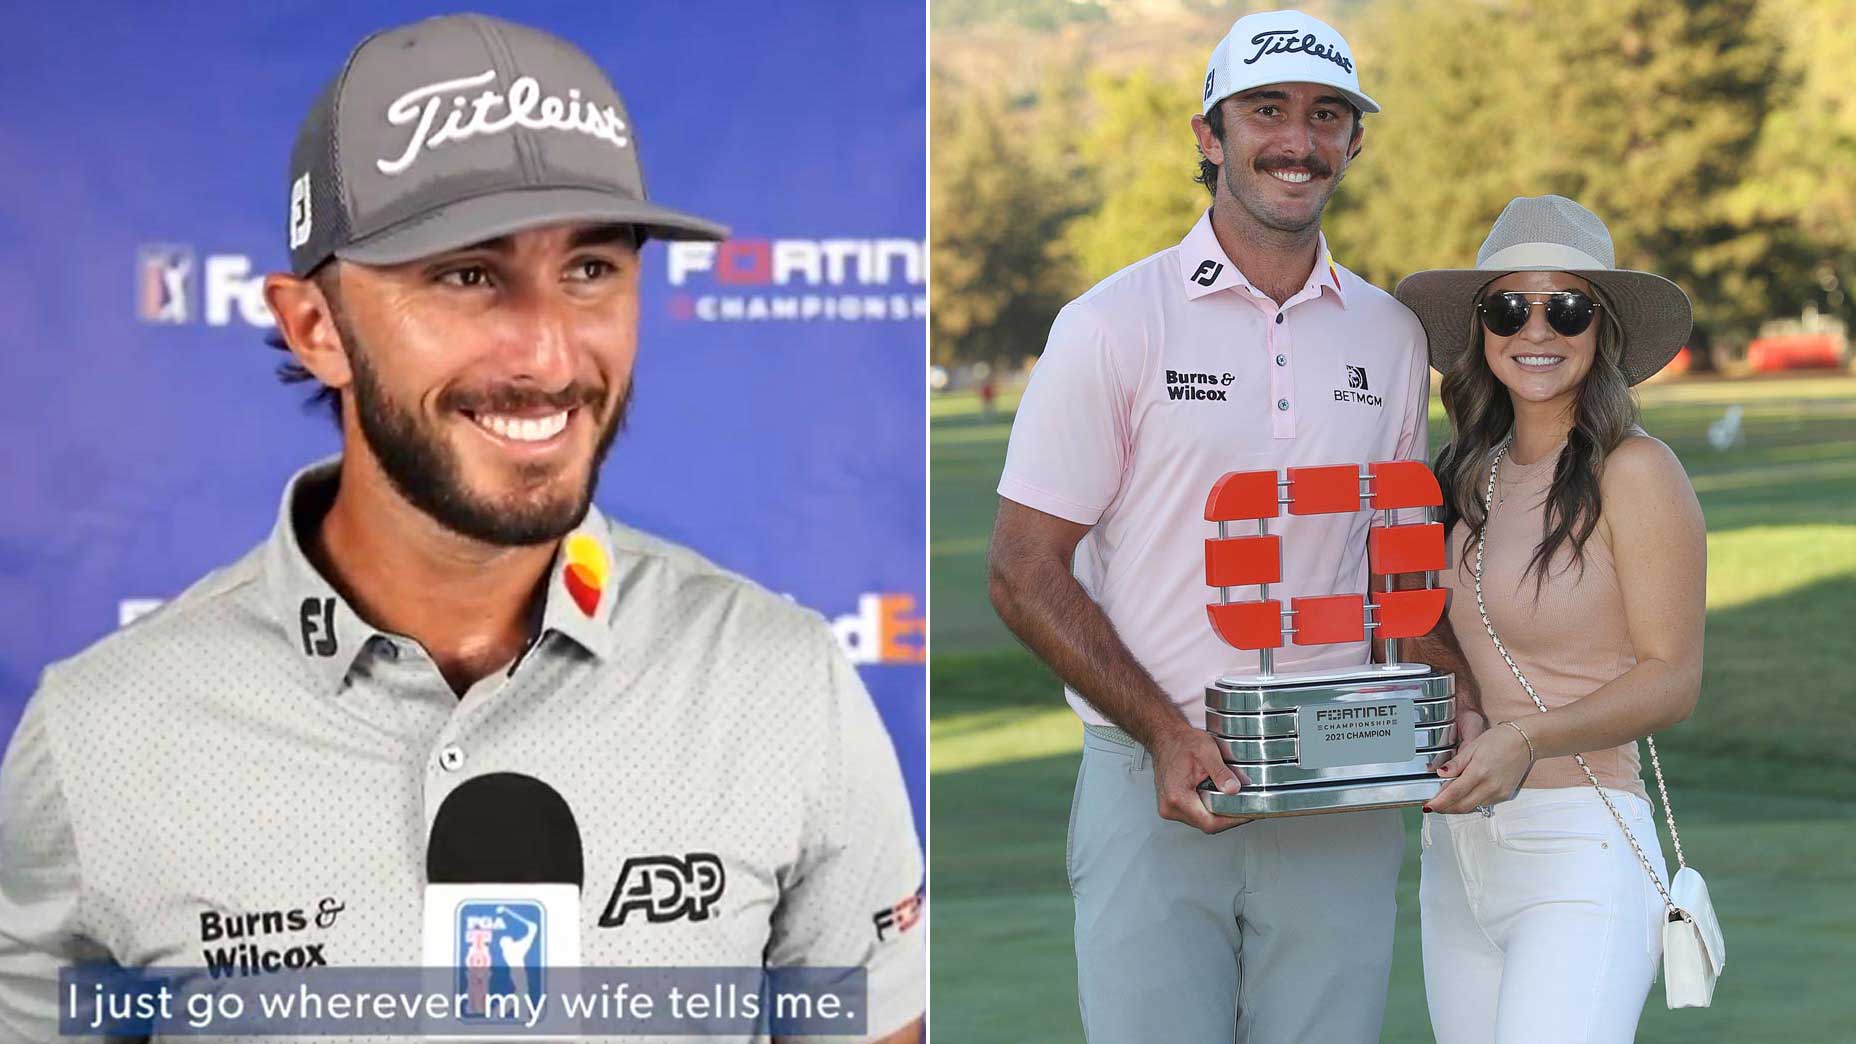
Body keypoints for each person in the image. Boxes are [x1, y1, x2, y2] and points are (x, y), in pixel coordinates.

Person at [0, 14, 923, 1043]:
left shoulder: (780, 680)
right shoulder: (99, 736)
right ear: (315, 328)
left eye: (589, 270)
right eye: (466, 274)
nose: (547, 350)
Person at [987, 10, 1472, 1041]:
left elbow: (1396, 560)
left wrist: (1446, 700)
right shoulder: (1111, 324)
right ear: (1208, 136)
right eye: (1266, 111)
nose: (1295, 141)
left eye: (1324, 115)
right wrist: (1161, 731)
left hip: (1340, 774)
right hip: (1152, 774)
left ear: (1350, 142)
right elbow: (1022, 568)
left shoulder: (1388, 334)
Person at [1395, 194, 1706, 1043]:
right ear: (1482, 328)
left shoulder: (1636, 472)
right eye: (1510, 307)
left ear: (1600, 329)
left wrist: (1525, 739)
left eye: (1564, 307)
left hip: (1581, 849)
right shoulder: (1468, 473)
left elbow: (1671, 679)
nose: (1537, 331)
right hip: (1458, 858)